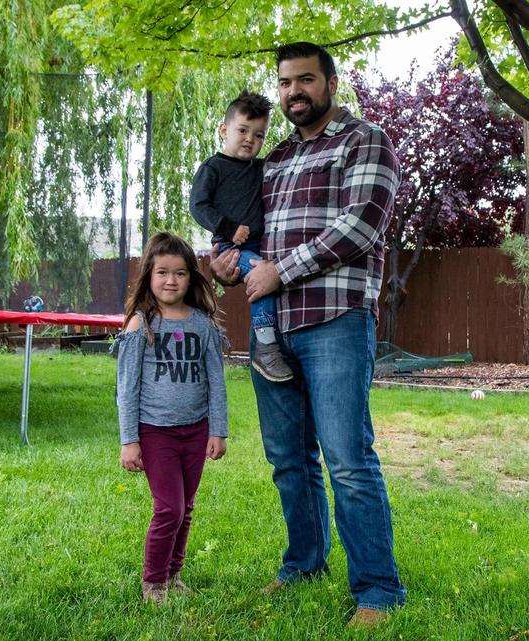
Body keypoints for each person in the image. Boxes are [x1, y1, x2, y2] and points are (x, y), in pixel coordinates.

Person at [210, 41, 406, 628]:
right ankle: (304, 563)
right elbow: (254, 237)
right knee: (289, 460)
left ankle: (377, 590)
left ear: (330, 83)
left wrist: (280, 269)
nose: (294, 91)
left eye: (306, 80)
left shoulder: (363, 141)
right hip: (274, 330)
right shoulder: (269, 161)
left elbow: (361, 226)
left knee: (347, 458)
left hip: (335, 322)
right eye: (286, 83)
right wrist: (228, 259)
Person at [115, 231, 229, 605]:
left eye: (179, 273)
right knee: (169, 508)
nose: (170, 280)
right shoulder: (140, 324)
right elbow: (127, 388)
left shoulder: (203, 324)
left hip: (195, 432)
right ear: (149, 275)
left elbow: (217, 382)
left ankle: (174, 574)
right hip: (155, 433)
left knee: (187, 508)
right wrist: (129, 440)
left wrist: (218, 430)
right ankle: (153, 582)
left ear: (190, 278)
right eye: (162, 272)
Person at [189, 90, 294, 383]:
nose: (251, 139)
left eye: (259, 135)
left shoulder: (260, 168)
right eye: (243, 130)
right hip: (231, 245)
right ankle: (265, 347)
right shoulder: (214, 168)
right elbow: (198, 206)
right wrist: (228, 227)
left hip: (258, 245)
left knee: (267, 277)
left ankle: (270, 343)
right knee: (263, 278)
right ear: (224, 130)